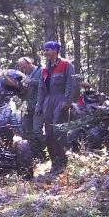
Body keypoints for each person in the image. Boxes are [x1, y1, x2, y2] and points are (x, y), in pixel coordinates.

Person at [35, 41, 75, 175]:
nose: (45, 53)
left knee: (59, 133)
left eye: (48, 50)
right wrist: (39, 105)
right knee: (49, 134)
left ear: (55, 51)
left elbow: (70, 84)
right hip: (48, 102)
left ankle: (63, 162)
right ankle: (54, 163)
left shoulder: (66, 65)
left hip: (60, 100)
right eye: (45, 50)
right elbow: (41, 88)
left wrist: (67, 102)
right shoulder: (45, 69)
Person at [17, 56, 46, 160]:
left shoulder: (40, 71)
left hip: (38, 105)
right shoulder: (24, 75)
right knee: (27, 130)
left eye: (25, 67)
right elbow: (23, 93)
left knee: (37, 130)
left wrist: (31, 82)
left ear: (30, 63)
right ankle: (34, 153)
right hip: (26, 106)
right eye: (21, 68)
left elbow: (45, 85)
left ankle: (46, 152)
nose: (24, 69)